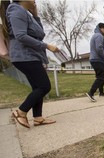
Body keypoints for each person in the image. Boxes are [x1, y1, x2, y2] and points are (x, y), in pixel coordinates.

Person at [0, 0, 59, 128]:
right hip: (24, 56)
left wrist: (36, 15)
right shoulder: (16, 10)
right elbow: (20, 36)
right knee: (44, 86)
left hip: (31, 56)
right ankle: (21, 112)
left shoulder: (26, 13)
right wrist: (47, 46)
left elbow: (40, 34)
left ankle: (38, 117)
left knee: (37, 87)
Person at [86, 22, 104, 102]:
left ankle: (101, 92)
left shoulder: (95, 35)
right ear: (101, 28)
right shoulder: (99, 36)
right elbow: (99, 48)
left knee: (101, 76)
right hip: (97, 59)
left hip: (94, 59)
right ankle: (91, 93)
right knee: (101, 78)